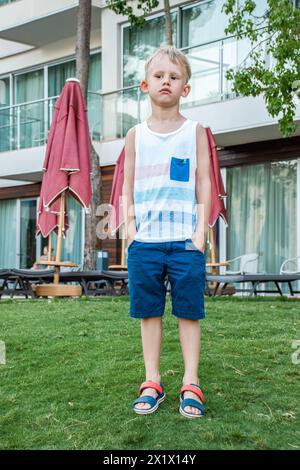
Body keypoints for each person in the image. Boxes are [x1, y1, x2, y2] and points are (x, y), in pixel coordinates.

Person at [123, 45, 211, 418]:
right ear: (146, 84)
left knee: (189, 311)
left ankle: (191, 382)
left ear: (185, 88)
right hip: (145, 242)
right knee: (149, 312)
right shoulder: (135, 135)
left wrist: (200, 231)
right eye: (159, 76)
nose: (166, 82)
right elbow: (125, 186)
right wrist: (129, 228)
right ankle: (152, 380)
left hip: (184, 242)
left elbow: (204, 180)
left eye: (174, 77)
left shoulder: (195, 131)